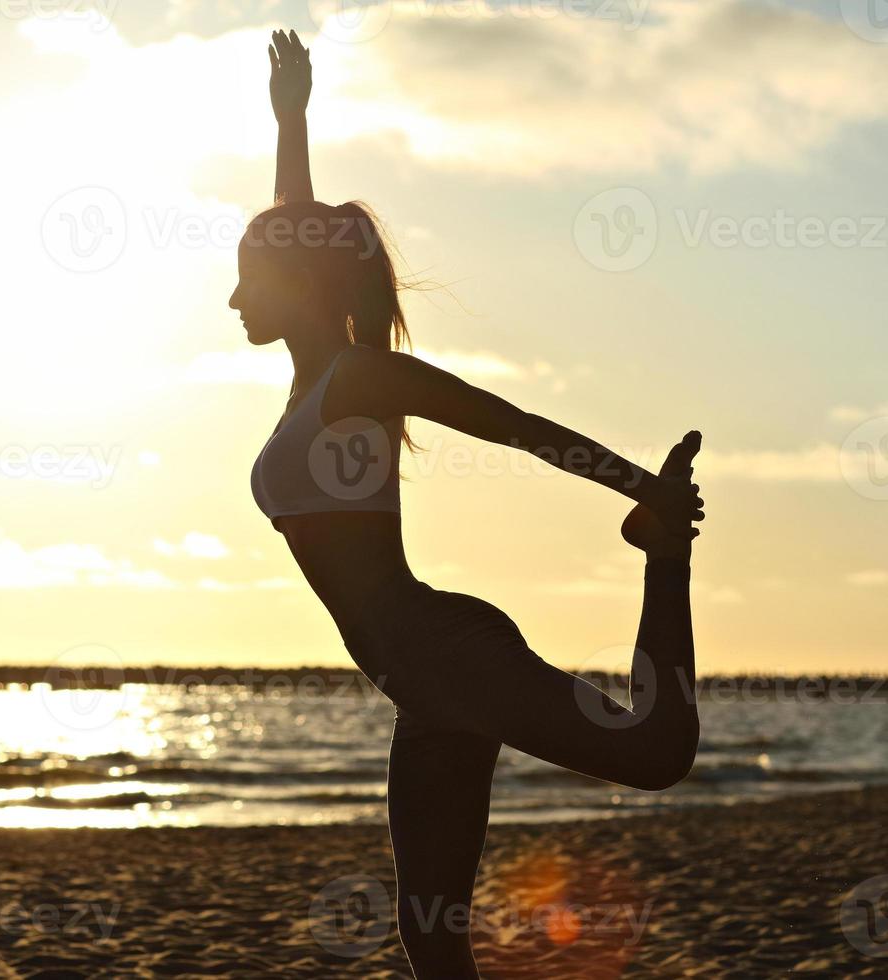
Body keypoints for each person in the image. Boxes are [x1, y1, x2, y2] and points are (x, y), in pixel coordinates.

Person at [235, 31, 705, 978]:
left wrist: (645, 495)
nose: (232, 296)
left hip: (445, 652)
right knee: (430, 931)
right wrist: (293, 117)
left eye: (249, 277)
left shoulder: (359, 378)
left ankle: (664, 559)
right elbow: (298, 224)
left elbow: (512, 423)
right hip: (423, 682)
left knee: (657, 752)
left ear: (300, 288)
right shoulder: (313, 380)